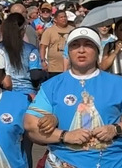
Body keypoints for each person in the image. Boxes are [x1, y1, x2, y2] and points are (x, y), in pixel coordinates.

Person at [25, 27, 122, 168]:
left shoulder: (117, 84)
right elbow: (31, 126)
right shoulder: (52, 85)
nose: (81, 50)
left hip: (111, 162)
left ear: (97, 51)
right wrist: (65, 136)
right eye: (75, 45)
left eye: (88, 45)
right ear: (68, 52)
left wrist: (115, 129)